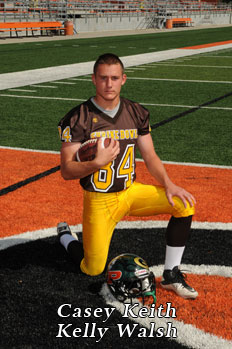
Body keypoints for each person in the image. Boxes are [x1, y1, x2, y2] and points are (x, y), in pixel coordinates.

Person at [57, 53, 198, 300]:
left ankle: (171, 274)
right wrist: (96, 162)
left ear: (124, 79)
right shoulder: (78, 117)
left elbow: (151, 156)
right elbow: (66, 170)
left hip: (130, 192)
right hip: (99, 200)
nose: (108, 84)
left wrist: (169, 184)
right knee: (92, 268)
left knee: (184, 205)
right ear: (93, 79)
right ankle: (67, 238)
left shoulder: (135, 112)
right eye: (103, 78)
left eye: (114, 78)